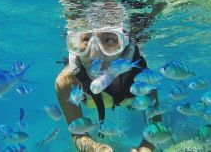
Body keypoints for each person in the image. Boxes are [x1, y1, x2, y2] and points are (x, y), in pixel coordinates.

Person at [55, 24, 161, 152]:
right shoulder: (67, 82)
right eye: (86, 40)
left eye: (109, 40)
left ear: (125, 45)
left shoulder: (142, 78)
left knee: (132, 102)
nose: (95, 55)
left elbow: (156, 125)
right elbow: (77, 133)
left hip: (130, 96)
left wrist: (146, 148)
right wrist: (94, 148)